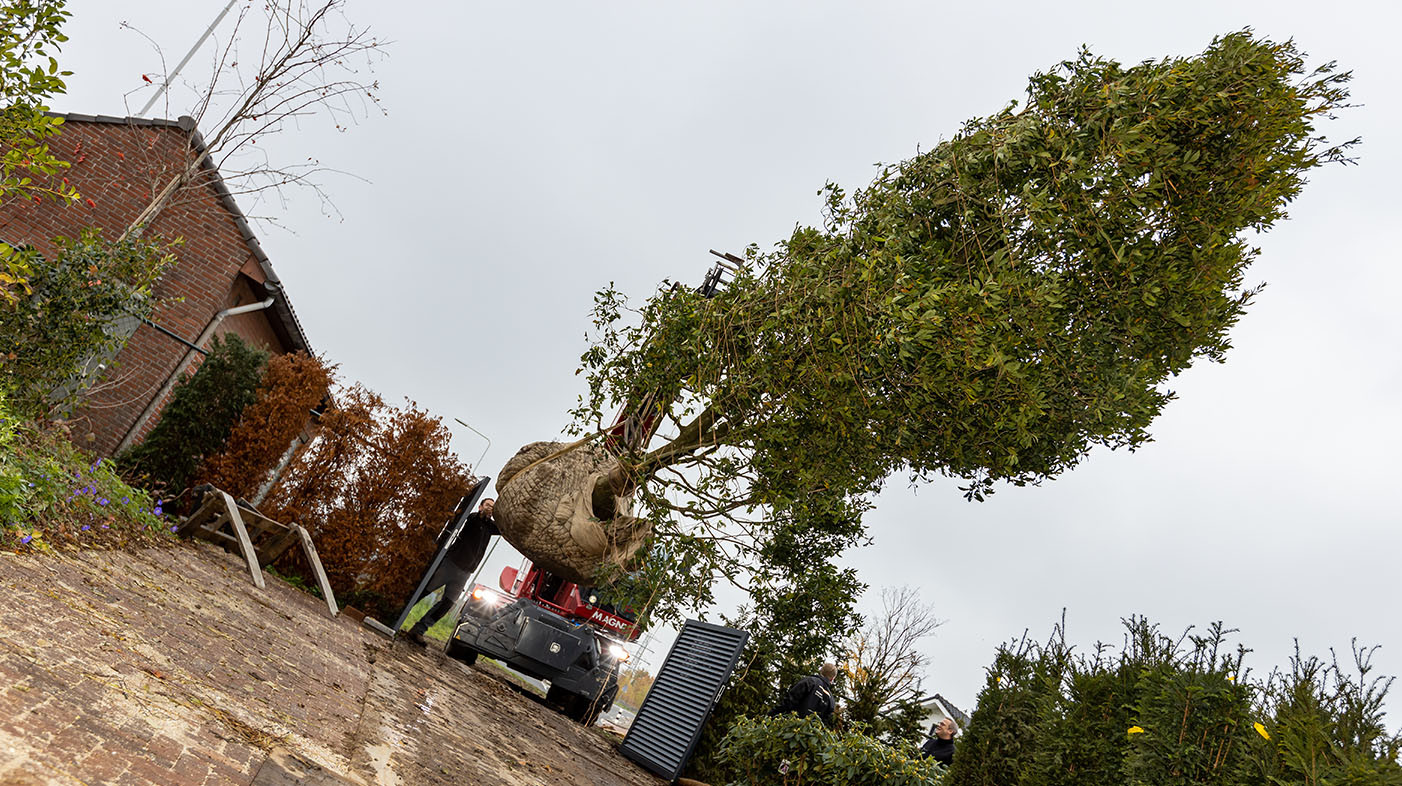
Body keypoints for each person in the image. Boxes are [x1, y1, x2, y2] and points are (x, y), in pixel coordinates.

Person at [405, 497, 499, 647]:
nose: (490, 509)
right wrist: (482, 515)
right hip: (450, 564)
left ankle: (418, 630)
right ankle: (397, 613)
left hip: (465, 573)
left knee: (447, 604)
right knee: (423, 591)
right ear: (480, 507)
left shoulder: (490, 527)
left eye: (492, 508)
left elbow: (505, 527)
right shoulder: (473, 519)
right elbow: (473, 519)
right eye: (487, 505)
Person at [770, 662, 838, 727]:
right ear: (832, 679)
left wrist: (771, 715)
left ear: (821, 672)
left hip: (793, 727)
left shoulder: (810, 682)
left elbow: (789, 701)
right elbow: (826, 721)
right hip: (811, 735)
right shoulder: (831, 700)